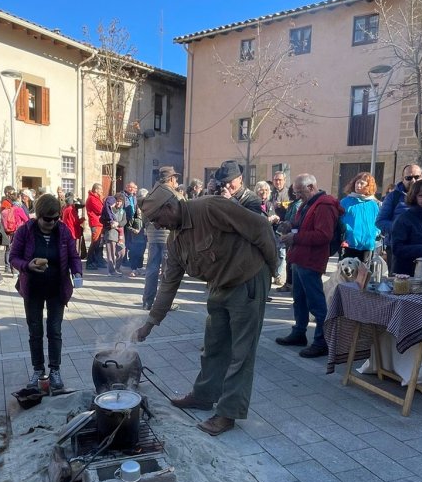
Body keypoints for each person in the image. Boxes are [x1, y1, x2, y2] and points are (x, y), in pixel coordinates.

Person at [133, 182, 277, 436]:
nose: (157, 225)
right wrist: (150, 323)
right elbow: (168, 283)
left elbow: (261, 228)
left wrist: (272, 269)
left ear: (169, 207)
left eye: (156, 219)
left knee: (241, 352)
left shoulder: (210, 207)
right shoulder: (175, 241)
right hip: (220, 285)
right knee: (214, 344)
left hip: (248, 280)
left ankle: (228, 413)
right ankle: (203, 396)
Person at [9, 192, 83, 393]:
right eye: (47, 219)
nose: (52, 222)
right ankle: (38, 370)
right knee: (35, 331)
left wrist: (77, 271)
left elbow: (74, 256)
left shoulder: (63, 231)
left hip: (57, 288)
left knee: (55, 330)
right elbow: (13, 257)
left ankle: (55, 370)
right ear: (38, 215)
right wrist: (27, 265)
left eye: (55, 218)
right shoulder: (25, 231)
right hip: (32, 288)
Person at [276, 174, 342, 358]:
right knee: (299, 299)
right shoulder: (308, 203)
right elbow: (303, 225)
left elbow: (324, 235)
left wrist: (295, 237)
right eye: (295, 192)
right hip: (300, 258)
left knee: (316, 303)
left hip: (311, 260)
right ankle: (299, 332)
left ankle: (322, 342)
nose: (297, 196)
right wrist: (290, 225)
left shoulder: (324, 205)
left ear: (311, 187)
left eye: (300, 192)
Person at [142, 165, 178, 310]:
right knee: (167, 272)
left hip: (152, 238)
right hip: (167, 238)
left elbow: (144, 215)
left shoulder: (151, 193)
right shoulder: (172, 195)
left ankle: (147, 302)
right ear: (171, 179)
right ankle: (164, 304)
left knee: (152, 269)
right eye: (175, 178)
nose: (176, 181)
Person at [376, 163, 422, 255]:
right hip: (398, 248)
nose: (413, 181)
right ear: (402, 179)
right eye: (408, 178)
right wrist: (401, 229)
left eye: (417, 177)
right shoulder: (393, 197)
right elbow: (380, 222)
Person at [339, 172, 381, 262]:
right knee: (347, 270)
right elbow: (338, 220)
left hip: (367, 245)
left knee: (364, 270)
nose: (358, 185)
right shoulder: (345, 202)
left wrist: (375, 232)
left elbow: (378, 222)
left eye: (362, 183)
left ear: (368, 186)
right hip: (348, 244)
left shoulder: (373, 204)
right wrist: (345, 232)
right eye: (357, 182)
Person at [101, 194, 123, 275]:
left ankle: (113, 270)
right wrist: (111, 224)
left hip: (114, 233)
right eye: (114, 203)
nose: (114, 204)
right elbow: (103, 221)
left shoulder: (109, 211)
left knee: (114, 253)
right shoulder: (106, 211)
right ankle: (111, 271)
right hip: (109, 234)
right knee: (111, 254)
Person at [85, 183, 106, 271]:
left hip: (100, 223)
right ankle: (90, 262)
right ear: (96, 190)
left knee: (99, 243)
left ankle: (98, 261)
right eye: (100, 189)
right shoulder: (92, 199)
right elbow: (100, 210)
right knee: (95, 243)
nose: (102, 191)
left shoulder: (97, 198)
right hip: (96, 223)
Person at [59, 190, 85, 257]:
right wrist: (82, 220)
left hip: (66, 229)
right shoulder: (71, 208)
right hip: (72, 229)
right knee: (73, 248)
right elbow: (75, 221)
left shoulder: (64, 208)